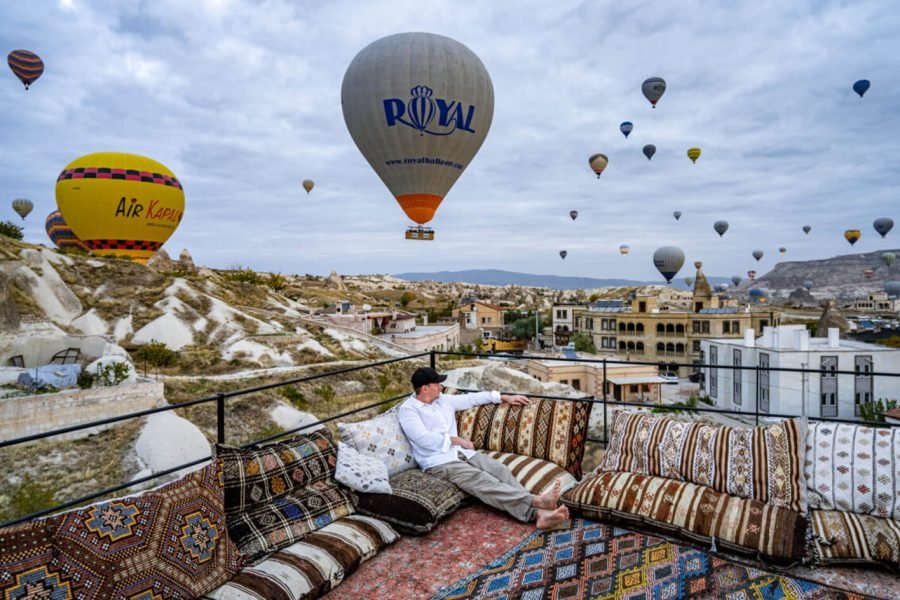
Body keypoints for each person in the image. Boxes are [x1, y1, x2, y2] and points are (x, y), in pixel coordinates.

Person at [398, 367, 570, 529]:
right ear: (425, 388)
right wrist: (457, 440)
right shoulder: (408, 410)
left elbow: (471, 399)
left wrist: (503, 397)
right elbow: (423, 439)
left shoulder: (442, 400)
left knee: (499, 469)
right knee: (483, 481)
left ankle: (540, 514)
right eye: (437, 384)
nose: (441, 386)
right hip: (438, 462)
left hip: (461, 453)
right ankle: (536, 503)